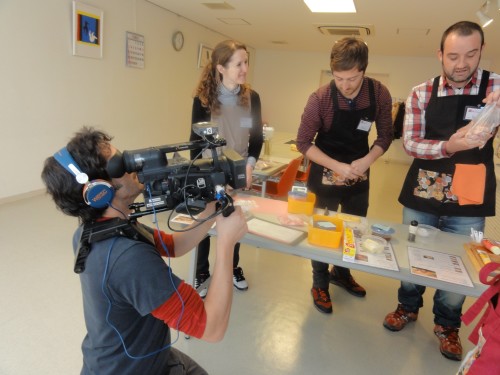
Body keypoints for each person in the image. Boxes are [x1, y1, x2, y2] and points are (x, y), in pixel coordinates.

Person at [41, 127, 248, 375]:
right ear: (99, 190)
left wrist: (211, 211)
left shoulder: (98, 228)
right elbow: (212, 328)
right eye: (119, 165)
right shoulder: (128, 259)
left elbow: (174, 246)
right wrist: (226, 244)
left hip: (130, 357)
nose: (133, 167)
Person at [382, 21, 500, 362]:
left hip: (470, 195)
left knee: (463, 263)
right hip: (424, 191)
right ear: (440, 55)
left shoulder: (495, 86)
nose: (461, 63)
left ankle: (447, 325)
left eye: (470, 54)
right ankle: (407, 307)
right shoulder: (421, 92)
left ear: (481, 52)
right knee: (413, 255)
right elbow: (411, 143)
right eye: (452, 56)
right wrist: (449, 144)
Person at [296, 37, 393, 314]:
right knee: (322, 227)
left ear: (364, 69)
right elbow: (304, 142)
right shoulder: (320, 99)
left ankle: (342, 272)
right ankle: (320, 282)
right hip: (325, 168)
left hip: (360, 169)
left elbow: (386, 135)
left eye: (352, 78)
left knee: (354, 225)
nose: (346, 85)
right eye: (339, 78)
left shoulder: (378, 93)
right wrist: (336, 166)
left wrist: (366, 161)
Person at [190, 39, 263, 296]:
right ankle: (201, 272)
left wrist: (250, 165)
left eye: (246, 62)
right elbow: (194, 141)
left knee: (234, 220)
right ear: (220, 68)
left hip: (240, 171)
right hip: (210, 170)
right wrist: (199, 174)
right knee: (206, 223)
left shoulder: (251, 98)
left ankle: (232, 267)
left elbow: (257, 139)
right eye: (238, 64)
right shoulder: (203, 100)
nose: (244, 69)